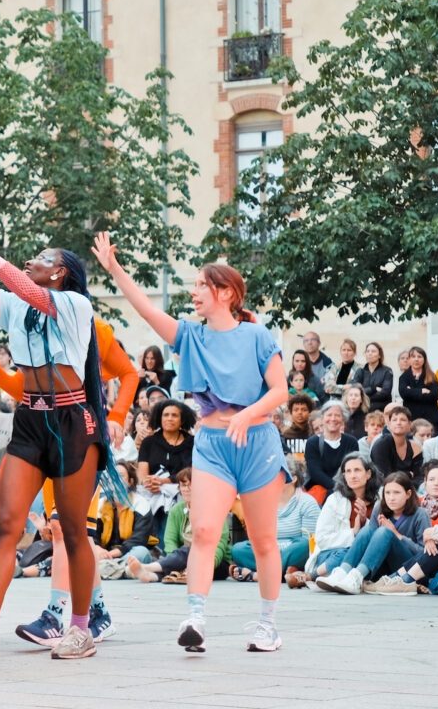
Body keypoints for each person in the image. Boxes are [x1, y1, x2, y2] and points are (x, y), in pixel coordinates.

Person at [0, 180, 120, 661]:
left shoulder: (75, 304)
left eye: (41, 257)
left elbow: (20, 286)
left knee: (72, 531)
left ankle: (81, 629)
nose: (32, 260)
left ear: (60, 273)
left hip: (73, 420)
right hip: (31, 421)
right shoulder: (19, 303)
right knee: (9, 523)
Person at [92, 233, 290, 654]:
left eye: (202, 284)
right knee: (202, 531)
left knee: (263, 540)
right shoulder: (190, 335)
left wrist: (247, 414)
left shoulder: (257, 336)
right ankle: (195, 618)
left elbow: (280, 391)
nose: (194, 291)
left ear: (226, 293)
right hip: (214, 444)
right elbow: (146, 310)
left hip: (257, 443)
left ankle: (268, 625)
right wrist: (114, 269)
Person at [315, 471, 430, 594]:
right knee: (367, 530)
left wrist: (397, 535)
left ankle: (357, 577)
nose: (391, 498)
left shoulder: (420, 514)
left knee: (384, 532)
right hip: (379, 568)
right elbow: (370, 543)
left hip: (409, 570)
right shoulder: (379, 508)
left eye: (396, 493)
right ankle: (343, 572)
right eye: (387, 493)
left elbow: (424, 554)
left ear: (408, 494)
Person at [128, 468, 232, 583]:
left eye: (192, 486)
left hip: (214, 563)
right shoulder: (176, 510)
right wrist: (177, 564)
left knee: (188, 552)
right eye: (183, 485)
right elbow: (170, 542)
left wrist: (197, 566)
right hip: (184, 559)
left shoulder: (215, 511)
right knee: (182, 555)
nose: (187, 489)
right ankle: (149, 576)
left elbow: (219, 547)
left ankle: (148, 567)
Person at [229, 457, 320, 581]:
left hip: (293, 550)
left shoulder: (307, 503)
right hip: (269, 551)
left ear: (293, 479)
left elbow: (309, 542)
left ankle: (257, 575)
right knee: (238, 549)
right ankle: (284, 572)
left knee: (303, 546)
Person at [299, 453, 379, 586]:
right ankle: (314, 575)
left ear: (368, 474)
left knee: (362, 553)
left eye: (357, 470)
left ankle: (318, 576)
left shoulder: (379, 501)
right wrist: (353, 533)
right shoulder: (335, 500)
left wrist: (364, 522)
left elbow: (378, 539)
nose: (353, 475)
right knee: (348, 552)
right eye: (348, 471)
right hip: (333, 554)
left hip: (363, 555)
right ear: (344, 476)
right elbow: (321, 539)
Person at [372, 460, 438, 593]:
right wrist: (431, 534)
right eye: (431, 479)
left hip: (434, 558)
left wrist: (432, 533)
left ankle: (402, 580)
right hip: (418, 557)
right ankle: (398, 579)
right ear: (425, 483)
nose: (436, 483)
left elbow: (433, 532)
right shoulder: (415, 502)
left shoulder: (419, 511)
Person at [303, 400, 360, 505]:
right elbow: (315, 472)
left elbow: (352, 468)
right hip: (321, 495)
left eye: (337, 415)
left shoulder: (351, 442)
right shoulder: (313, 442)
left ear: (343, 419)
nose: (333, 419)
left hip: (347, 492)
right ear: (322, 418)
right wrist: (337, 488)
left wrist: (344, 490)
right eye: (329, 415)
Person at [370, 406, 424, 483]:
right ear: (389, 424)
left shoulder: (415, 447)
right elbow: (384, 476)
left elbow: (418, 477)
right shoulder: (381, 445)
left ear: (409, 424)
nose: (398, 423)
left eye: (403, 420)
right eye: (394, 420)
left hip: (410, 487)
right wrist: (408, 474)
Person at [400, 346, 438, 427]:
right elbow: (404, 393)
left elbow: (435, 395)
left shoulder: (431, 376)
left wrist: (411, 391)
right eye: (413, 356)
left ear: (424, 359)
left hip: (430, 418)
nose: (416, 359)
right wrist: (422, 391)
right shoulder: (404, 377)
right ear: (409, 359)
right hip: (412, 418)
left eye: (419, 356)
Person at [354, 342, 393, 410]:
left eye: (373, 351)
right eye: (368, 351)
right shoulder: (360, 371)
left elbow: (385, 393)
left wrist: (363, 396)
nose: (370, 353)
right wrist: (373, 389)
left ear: (379, 355)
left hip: (381, 408)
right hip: (363, 408)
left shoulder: (387, 371)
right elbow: (355, 390)